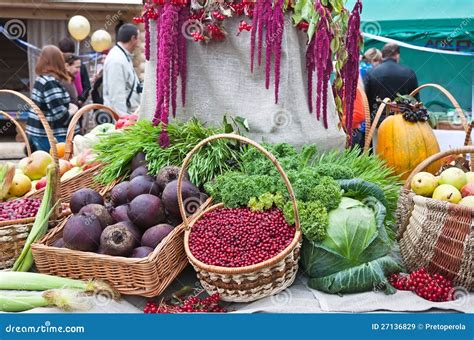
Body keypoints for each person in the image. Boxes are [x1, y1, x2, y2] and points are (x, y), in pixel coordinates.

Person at [26, 45, 78, 152]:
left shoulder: (41, 79)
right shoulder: (50, 83)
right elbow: (61, 117)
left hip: (40, 135)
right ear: (59, 61)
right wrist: (73, 110)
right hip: (50, 138)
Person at [364, 43, 419, 119]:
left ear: (382, 56)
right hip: (403, 122)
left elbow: (365, 101)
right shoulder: (409, 73)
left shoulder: (371, 73)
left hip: (377, 122)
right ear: (397, 55)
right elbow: (415, 103)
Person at [103, 23, 142, 116]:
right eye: (138, 38)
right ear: (133, 39)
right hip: (124, 118)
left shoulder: (122, 56)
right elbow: (117, 95)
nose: (138, 43)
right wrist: (123, 121)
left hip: (129, 115)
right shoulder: (117, 60)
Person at [58, 37, 91, 107]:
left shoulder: (79, 65)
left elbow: (87, 85)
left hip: (73, 103)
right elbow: (87, 86)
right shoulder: (57, 66)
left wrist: (81, 100)